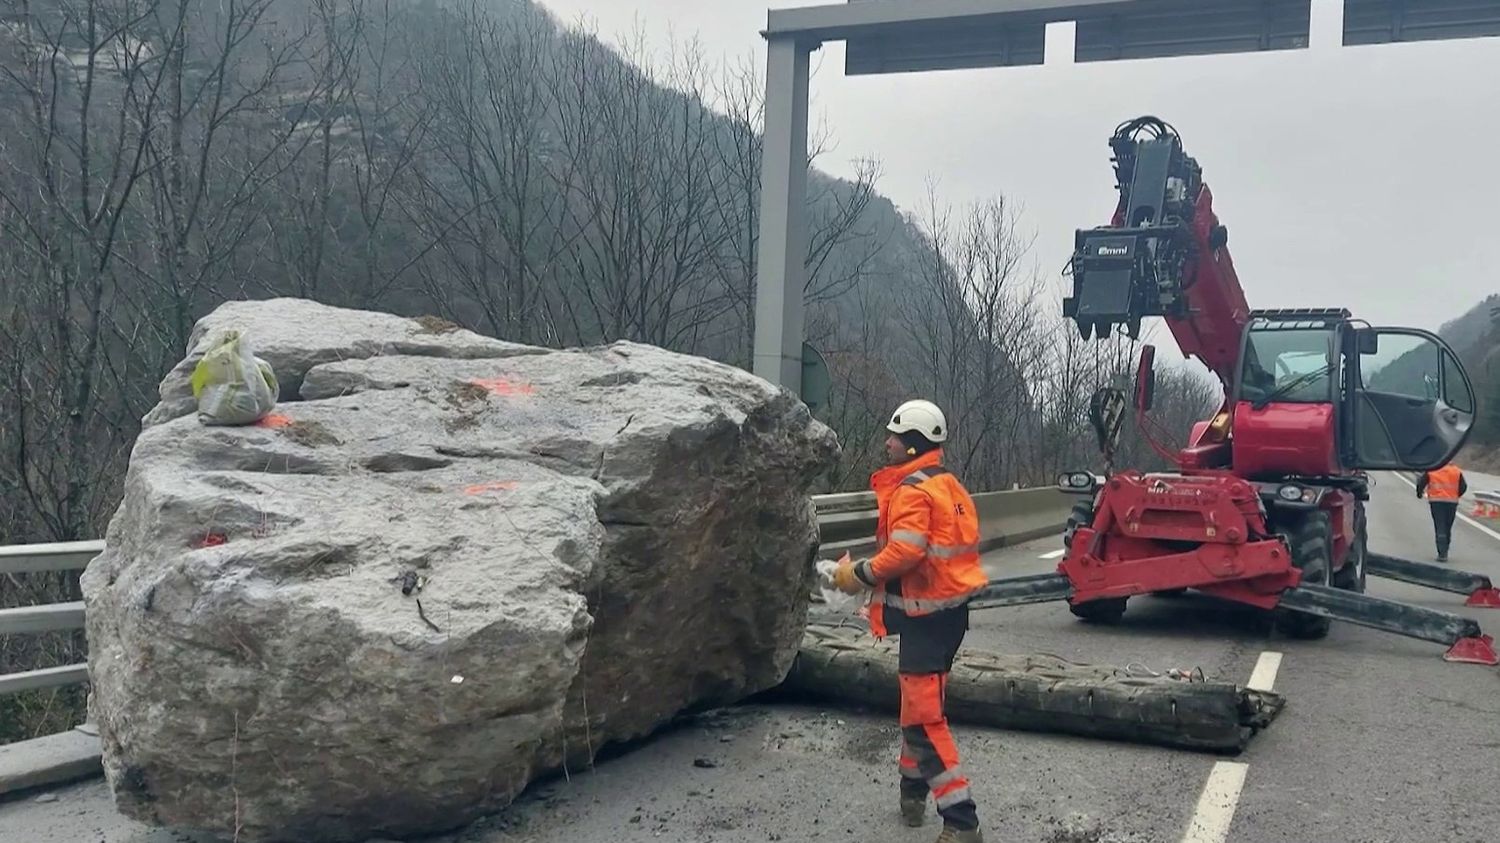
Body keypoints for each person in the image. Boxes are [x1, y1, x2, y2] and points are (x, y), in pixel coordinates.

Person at [832, 399, 989, 843]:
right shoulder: (949, 485)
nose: (887, 442)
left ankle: (961, 822)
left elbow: (904, 552)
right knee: (917, 708)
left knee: (923, 721)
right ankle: (911, 794)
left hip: (926, 618)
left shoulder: (913, 490)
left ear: (912, 444)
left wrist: (855, 574)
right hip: (949, 616)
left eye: (894, 436)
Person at [1416, 462, 1468, 562]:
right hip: (1452, 502)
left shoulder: (1432, 469)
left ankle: (1442, 553)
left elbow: (1421, 483)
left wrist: (1419, 493)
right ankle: (1446, 548)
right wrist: (1456, 495)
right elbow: (1463, 487)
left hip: (1436, 502)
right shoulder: (1456, 471)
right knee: (1448, 526)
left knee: (1440, 526)